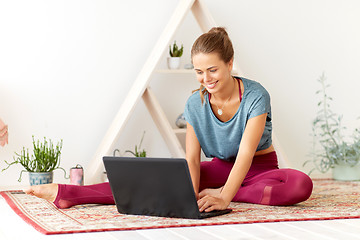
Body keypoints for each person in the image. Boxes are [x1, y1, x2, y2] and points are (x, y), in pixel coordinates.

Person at [25, 27, 313, 211]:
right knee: (159, 182)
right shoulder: (194, 103)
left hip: (260, 169)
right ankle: (69, 193)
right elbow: (191, 159)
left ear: (229, 63)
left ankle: (231, 192)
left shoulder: (255, 95)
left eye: (212, 70)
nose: (206, 79)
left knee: (300, 185)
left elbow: (247, 155)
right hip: (218, 169)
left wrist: (225, 195)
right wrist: (188, 193)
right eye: (199, 72)